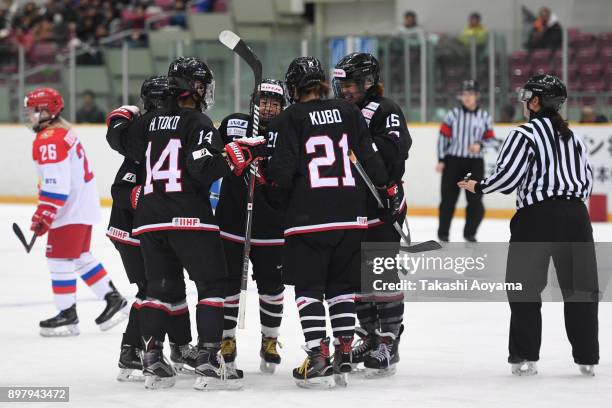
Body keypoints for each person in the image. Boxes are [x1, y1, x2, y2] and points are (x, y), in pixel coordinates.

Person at [106, 56, 268, 390]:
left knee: (158, 289)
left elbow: (120, 140)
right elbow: (204, 170)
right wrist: (238, 155)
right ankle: (209, 358)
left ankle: (151, 359)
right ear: (194, 88)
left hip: (150, 221)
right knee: (213, 286)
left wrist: (120, 118)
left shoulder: (147, 123)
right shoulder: (197, 122)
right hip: (189, 218)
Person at [458, 74, 599, 377]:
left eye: (527, 97)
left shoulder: (525, 133)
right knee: (581, 290)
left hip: (536, 218)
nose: (523, 103)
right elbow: (586, 181)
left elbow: (507, 177)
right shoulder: (573, 137)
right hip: (576, 217)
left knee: (523, 288)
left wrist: (479, 186)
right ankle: (587, 358)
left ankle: (524, 357)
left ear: (536, 102)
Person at [266, 56, 394, 388]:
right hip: (352, 217)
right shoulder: (348, 111)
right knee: (342, 290)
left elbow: (279, 175)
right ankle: (344, 352)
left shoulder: (288, 118)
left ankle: (318, 357)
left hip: (309, 218)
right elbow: (370, 159)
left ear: (294, 88)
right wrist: (386, 187)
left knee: (309, 290)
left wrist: (263, 169)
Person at [106, 76, 199, 382]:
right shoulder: (146, 133)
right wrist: (151, 199)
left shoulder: (153, 128)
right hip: (131, 229)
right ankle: (130, 351)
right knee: (152, 288)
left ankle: (181, 346)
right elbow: (121, 190)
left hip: (154, 226)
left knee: (172, 283)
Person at [332, 52, 411, 377]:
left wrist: (363, 147)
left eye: (350, 84)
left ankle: (389, 339)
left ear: (367, 82)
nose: (345, 89)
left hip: (382, 202)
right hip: (352, 206)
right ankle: (368, 333)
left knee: (381, 272)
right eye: (342, 83)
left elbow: (396, 150)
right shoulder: (339, 111)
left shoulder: (385, 109)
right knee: (356, 276)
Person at [25, 87, 127, 337]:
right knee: (80, 256)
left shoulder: (49, 139)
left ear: (47, 111)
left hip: (69, 209)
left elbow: (56, 185)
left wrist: (45, 213)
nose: (29, 116)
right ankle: (113, 299)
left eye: (33, 111)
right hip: (81, 205)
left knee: (58, 259)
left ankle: (67, 314)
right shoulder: (63, 132)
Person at [215, 79, 286, 375]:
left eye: (274, 102)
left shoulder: (289, 131)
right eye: (263, 100)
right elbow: (213, 158)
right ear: (253, 102)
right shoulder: (233, 124)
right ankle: (226, 340)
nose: (268, 107)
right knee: (229, 283)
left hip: (272, 224)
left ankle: (270, 340)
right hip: (232, 220)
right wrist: (230, 157)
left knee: (272, 286)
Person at [436, 80, 494, 242]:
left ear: (477, 96)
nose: (467, 97)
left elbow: (490, 139)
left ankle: (470, 233)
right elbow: (443, 138)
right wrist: (441, 159)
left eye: (470, 94)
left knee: (474, 200)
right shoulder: (452, 115)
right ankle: (443, 234)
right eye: (464, 94)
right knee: (448, 199)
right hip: (453, 162)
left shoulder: (485, 117)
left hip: (473, 164)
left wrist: (480, 145)